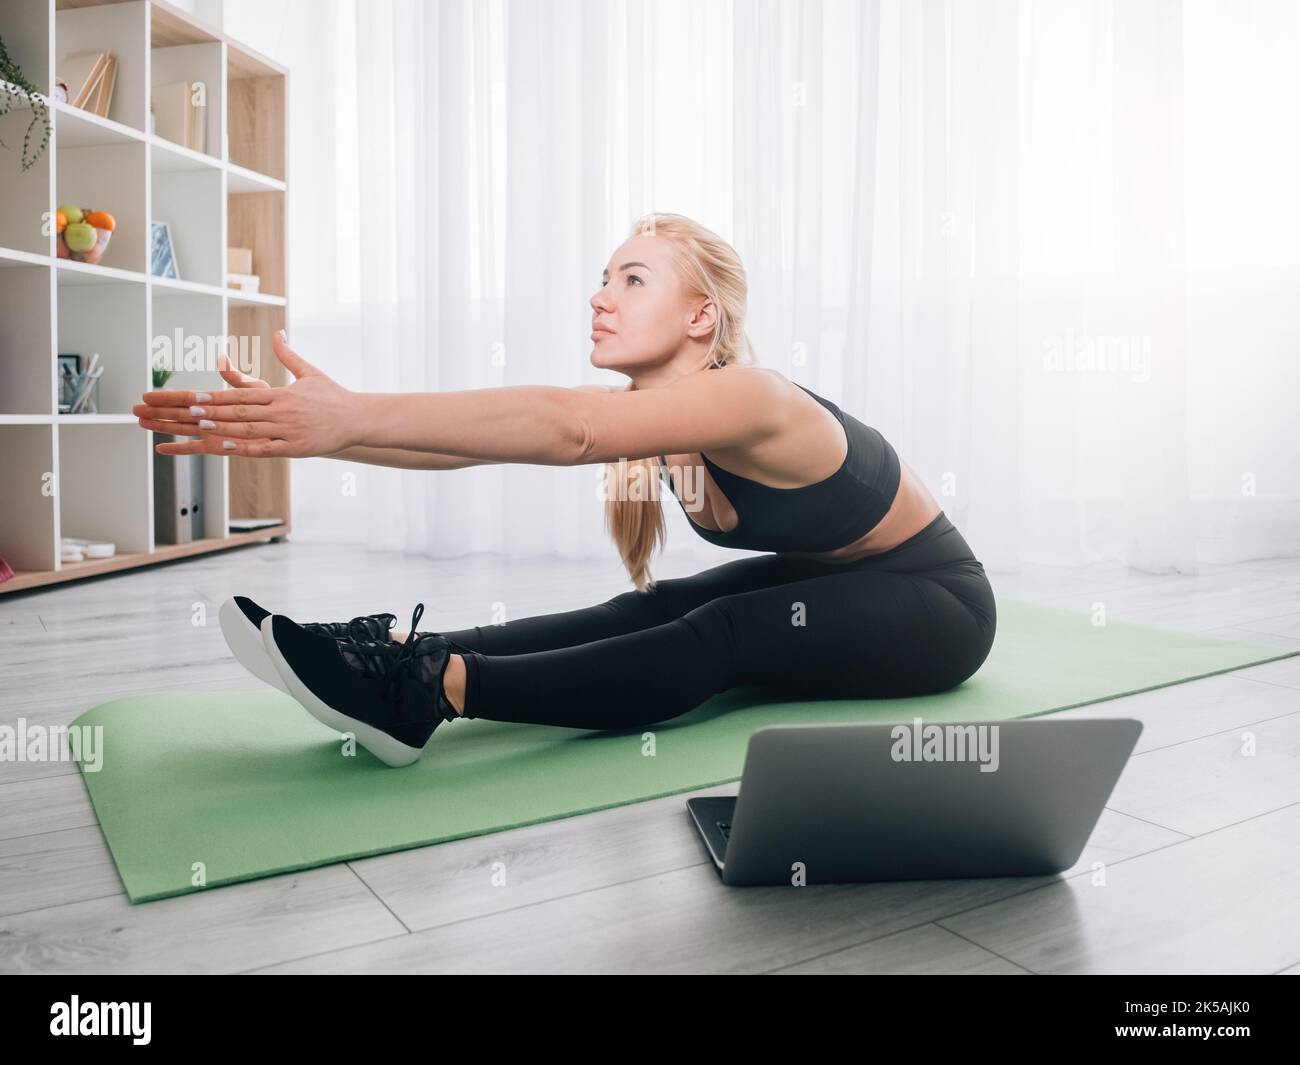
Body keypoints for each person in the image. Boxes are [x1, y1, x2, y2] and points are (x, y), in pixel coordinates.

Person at [135, 212, 996, 767]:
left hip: (938, 605)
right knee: (654, 607)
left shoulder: (755, 395)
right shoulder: (655, 411)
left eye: (631, 279)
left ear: (702, 316)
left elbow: (565, 427)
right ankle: (395, 648)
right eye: (604, 276)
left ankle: (429, 689)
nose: (599, 296)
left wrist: (350, 412)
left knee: (720, 630)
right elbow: (471, 451)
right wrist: (328, 431)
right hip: (843, 581)